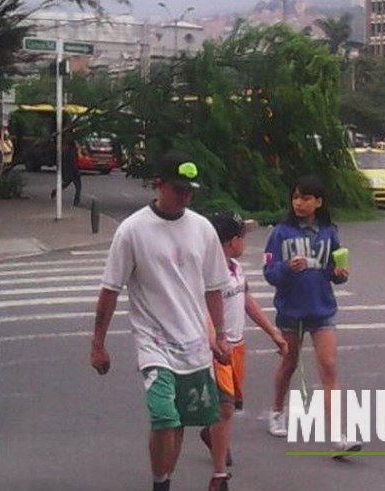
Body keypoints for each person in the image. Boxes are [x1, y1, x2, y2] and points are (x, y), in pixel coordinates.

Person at [90, 150, 232, 491]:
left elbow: (214, 288)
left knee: (178, 422)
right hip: (154, 343)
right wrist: (98, 344)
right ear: (159, 184)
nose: (185, 196)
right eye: (178, 189)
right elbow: (110, 290)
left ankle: (164, 479)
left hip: (194, 345)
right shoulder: (132, 231)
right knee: (164, 416)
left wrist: (221, 335)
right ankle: (159, 484)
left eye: (190, 191)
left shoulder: (202, 229)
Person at [263, 175, 362, 457]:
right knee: (289, 363)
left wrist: (339, 273)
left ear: (318, 202)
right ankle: (276, 411)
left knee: (328, 367)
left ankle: (338, 436)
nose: (299, 203)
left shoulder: (329, 232)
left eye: (306, 198)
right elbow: (269, 273)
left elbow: (334, 271)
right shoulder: (280, 233)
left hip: (322, 310)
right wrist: (287, 267)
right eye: (296, 197)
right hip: (290, 311)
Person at [201, 211, 288, 489]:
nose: (245, 242)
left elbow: (246, 300)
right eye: (243, 236)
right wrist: (216, 341)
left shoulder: (236, 268)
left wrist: (273, 332)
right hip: (216, 349)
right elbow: (201, 310)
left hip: (236, 347)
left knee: (229, 406)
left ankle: (212, 434)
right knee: (225, 408)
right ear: (231, 241)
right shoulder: (206, 272)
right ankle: (219, 475)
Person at [50, 130, 81, 206]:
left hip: (68, 170)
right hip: (72, 170)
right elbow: (75, 159)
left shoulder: (66, 150)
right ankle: (76, 201)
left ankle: (56, 191)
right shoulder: (71, 151)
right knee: (77, 186)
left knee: (68, 184)